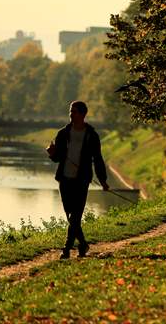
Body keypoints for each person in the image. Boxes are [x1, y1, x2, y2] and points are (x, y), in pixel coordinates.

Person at [46, 101, 109, 259]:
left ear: (82, 114)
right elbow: (58, 158)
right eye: (70, 111)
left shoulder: (92, 135)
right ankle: (82, 244)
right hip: (64, 179)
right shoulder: (63, 133)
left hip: (82, 180)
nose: (70, 114)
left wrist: (103, 180)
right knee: (69, 214)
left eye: (73, 111)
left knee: (76, 215)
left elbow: (98, 159)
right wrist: (52, 153)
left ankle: (66, 248)